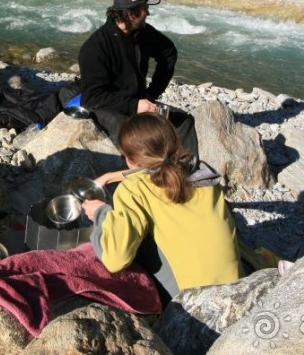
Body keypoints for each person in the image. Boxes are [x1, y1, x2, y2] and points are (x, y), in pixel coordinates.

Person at [82, 112, 241, 301]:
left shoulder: (132, 191)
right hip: (237, 287)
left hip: (191, 301)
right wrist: (110, 176)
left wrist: (100, 213)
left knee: (129, 238)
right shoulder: (202, 173)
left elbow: (115, 260)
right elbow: (157, 168)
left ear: (130, 159)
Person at [78, 0, 196, 152]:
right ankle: (136, 172)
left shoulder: (144, 33)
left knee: (184, 121)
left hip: (138, 101)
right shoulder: (95, 48)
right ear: (131, 15)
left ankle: (187, 169)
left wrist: (151, 93)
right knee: (128, 130)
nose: (148, 13)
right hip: (108, 109)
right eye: (145, 9)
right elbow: (91, 98)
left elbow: (169, 53)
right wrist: (134, 105)